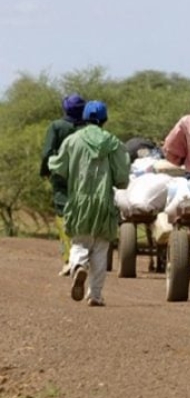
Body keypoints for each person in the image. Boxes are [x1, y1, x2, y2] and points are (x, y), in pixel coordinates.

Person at [48, 100, 130, 306]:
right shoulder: (113, 143)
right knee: (101, 248)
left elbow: (58, 167)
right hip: (104, 202)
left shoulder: (73, 140)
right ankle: (95, 295)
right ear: (105, 120)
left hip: (79, 200)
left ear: (84, 118)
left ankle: (77, 267)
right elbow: (122, 178)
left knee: (80, 242)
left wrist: (51, 161)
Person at [41, 93, 86, 275]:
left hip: (61, 177)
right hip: (84, 177)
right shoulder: (87, 128)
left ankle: (69, 259)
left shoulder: (57, 127)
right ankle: (82, 257)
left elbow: (48, 153)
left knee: (63, 216)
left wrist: (45, 171)